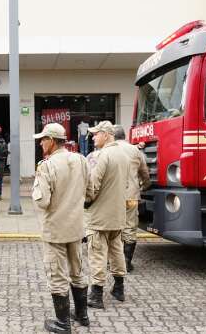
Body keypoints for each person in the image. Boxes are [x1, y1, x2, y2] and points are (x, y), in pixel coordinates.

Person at [32, 123, 92, 333]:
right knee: (78, 271)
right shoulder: (81, 160)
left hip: (55, 229)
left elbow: (42, 202)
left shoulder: (46, 166)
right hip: (76, 226)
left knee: (57, 276)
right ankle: (83, 315)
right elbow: (91, 192)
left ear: (51, 140)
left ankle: (63, 323)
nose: (40, 143)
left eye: (43, 139)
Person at [85, 121, 129, 309]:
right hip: (117, 213)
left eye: (95, 134)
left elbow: (92, 186)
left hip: (100, 215)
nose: (93, 137)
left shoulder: (101, 156)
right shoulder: (124, 154)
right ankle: (119, 288)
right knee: (116, 250)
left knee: (97, 253)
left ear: (105, 134)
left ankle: (96, 295)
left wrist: (85, 202)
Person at [114, 125, 150, 272]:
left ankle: (114, 262)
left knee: (114, 227)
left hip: (113, 197)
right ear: (124, 136)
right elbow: (144, 172)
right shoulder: (135, 150)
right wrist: (145, 186)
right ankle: (127, 262)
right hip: (131, 196)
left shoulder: (108, 150)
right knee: (130, 227)